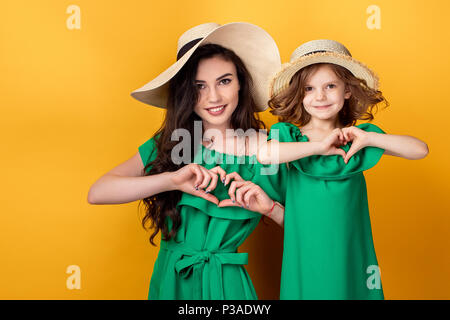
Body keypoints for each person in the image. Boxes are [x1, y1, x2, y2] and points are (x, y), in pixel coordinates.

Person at [87, 22, 286, 300]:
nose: (213, 97)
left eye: (224, 81)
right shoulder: (171, 145)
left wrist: (271, 208)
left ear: (241, 82)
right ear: (185, 93)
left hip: (227, 285)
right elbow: (98, 193)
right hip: (172, 281)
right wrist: (172, 180)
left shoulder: (269, 149)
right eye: (199, 86)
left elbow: (308, 233)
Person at [257, 39, 429, 299]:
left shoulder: (358, 138)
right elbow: (265, 154)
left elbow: (420, 150)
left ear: (347, 90)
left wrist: (371, 139)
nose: (320, 96)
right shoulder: (288, 136)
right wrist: (317, 147)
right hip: (306, 255)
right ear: (299, 94)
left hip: (351, 253)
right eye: (309, 88)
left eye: (330, 86)